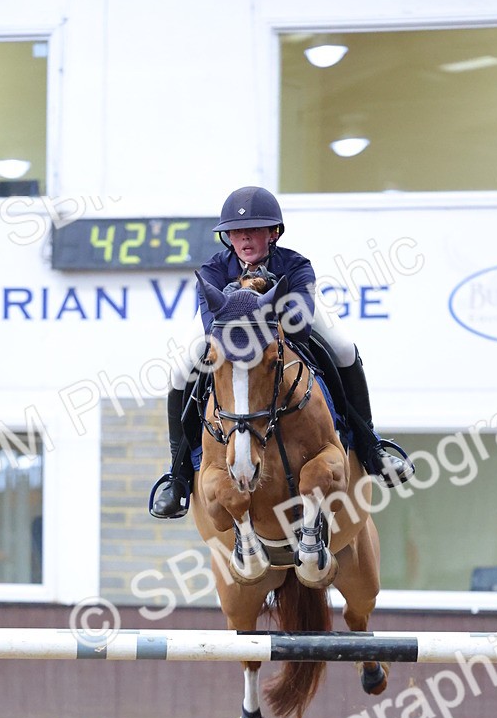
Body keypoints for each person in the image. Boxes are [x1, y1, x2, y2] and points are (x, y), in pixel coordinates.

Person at [150, 186, 413, 519]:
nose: (244, 240)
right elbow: (211, 325)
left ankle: (371, 446)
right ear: (228, 237)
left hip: (280, 330)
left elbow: (300, 324)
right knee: (179, 370)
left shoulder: (296, 265)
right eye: (236, 233)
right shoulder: (214, 269)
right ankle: (178, 475)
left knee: (344, 347)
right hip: (230, 336)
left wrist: (266, 298)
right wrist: (244, 303)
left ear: (273, 232)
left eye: (253, 231)